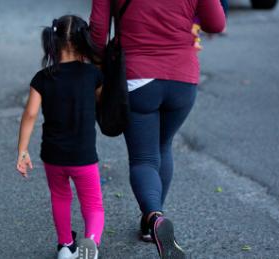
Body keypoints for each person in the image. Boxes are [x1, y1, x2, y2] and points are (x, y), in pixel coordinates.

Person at [90, 0, 225, 258]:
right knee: (163, 146)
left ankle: (154, 217)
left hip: (138, 77)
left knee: (143, 159)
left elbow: (97, 34)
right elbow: (216, 23)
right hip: (183, 79)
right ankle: (152, 223)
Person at [16, 15, 104, 259]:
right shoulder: (92, 75)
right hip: (83, 155)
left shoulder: (43, 77)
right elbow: (102, 100)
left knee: (60, 198)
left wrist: (23, 150)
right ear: (83, 42)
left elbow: (31, 114)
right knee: (93, 205)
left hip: (53, 155)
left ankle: (66, 246)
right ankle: (91, 245)